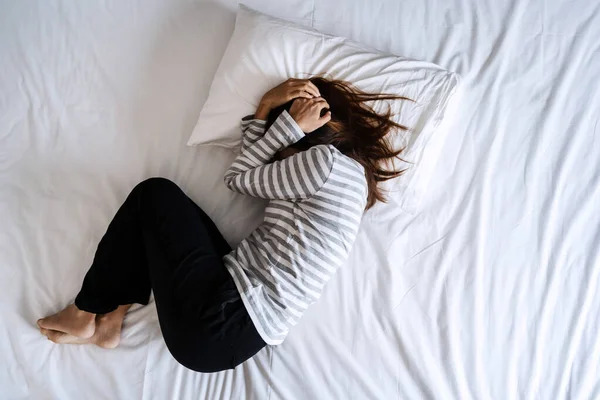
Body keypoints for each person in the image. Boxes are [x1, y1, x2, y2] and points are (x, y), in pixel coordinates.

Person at [37, 77, 410, 372]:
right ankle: (111, 317)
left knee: (155, 195)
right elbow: (256, 169)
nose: (279, 137)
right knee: (166, 216)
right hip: (232, 327)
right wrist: (269, 116)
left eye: (288, 122)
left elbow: (239, 177)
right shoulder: (348, 180)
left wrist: (274, 114)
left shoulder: (323, 163)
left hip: (220, 320)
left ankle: (85, 311)